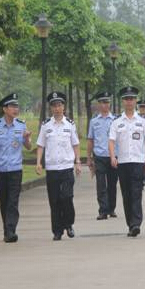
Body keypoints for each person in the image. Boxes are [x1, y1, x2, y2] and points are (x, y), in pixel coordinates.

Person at [0, 93, 32, 243]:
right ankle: (7, 230)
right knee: (4, 201)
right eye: (12, 106)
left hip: (16, 169)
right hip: (0, 170)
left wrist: (26, 138)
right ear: (5, 109)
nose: (15, 109)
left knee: (13, 201)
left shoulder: (21, 125)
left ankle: (11, 230)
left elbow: (29, 146)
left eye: (16, 106)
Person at [36, 92, 81, 241]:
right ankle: (57, 230)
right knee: (54, 200)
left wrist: (78, 162)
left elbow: (75, 144)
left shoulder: (70, 124)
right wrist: (38, 163)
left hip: (67, 167)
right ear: (51, 108)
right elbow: (41, 145)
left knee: (66, 197)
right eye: (54, 105)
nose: (57, 108)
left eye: (60, 105)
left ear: (64, 107)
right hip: (52, 168)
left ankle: (68, 224)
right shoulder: (46, 125)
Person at [109, 86, 145, 237]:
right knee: (126, 194)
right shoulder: (117, 122)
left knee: (136, 192)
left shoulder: (141, 121)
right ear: (123, 102)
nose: (129, 102)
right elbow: (111, 141)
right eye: (127, 99)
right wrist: (112, 157)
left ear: (135, 101)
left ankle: (136, 223)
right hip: (123, 162)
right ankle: (130, 223)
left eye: (132, 99)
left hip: (137, 161)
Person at [87, 91, 118, 220]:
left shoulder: (116, 120)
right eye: (102, 102)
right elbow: (90, 140)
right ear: (98, 104)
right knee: (101, 184)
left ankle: (111, 208)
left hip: (113, 156)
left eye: (107, 102)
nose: (105, 105)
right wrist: (89, 157)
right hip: (99, 156)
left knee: (112, 183)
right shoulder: (94, 121)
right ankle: (103, 210)